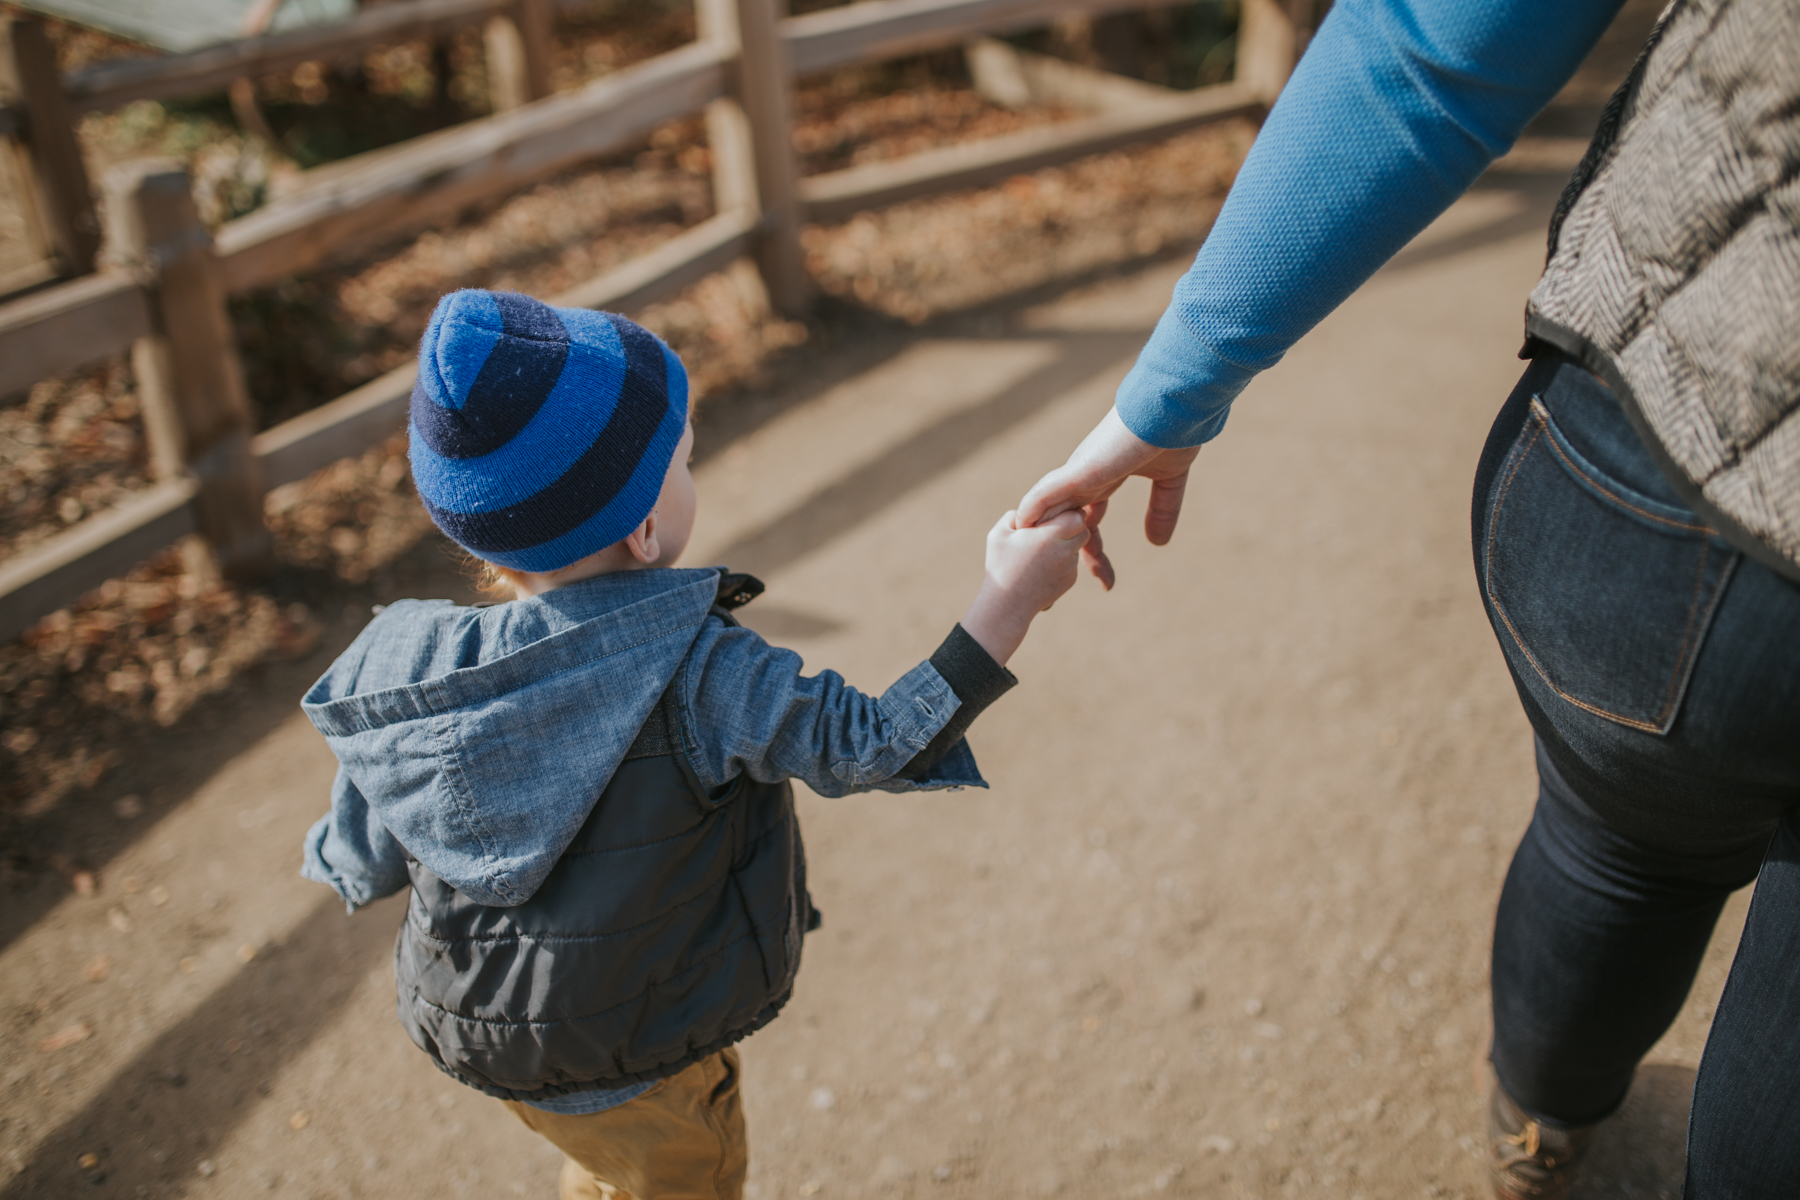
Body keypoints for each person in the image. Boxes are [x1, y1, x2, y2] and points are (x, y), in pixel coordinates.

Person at [1017, 0, 1800, 1196]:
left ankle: (1538, 1135)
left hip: (1648, 461)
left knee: (1614, 849)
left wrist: (1165, 398)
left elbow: (1434, 50)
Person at [298, 290, 1089, 1200]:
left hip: (473, 1021)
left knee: (608, 1167)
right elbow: (872, 743)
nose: (691, 473)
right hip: (640, 1043)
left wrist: (350, 866)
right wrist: (1009, 599)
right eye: (682, 460)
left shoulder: (406, 669)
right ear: (644, 529)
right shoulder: (697, 671)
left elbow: (366, 827)